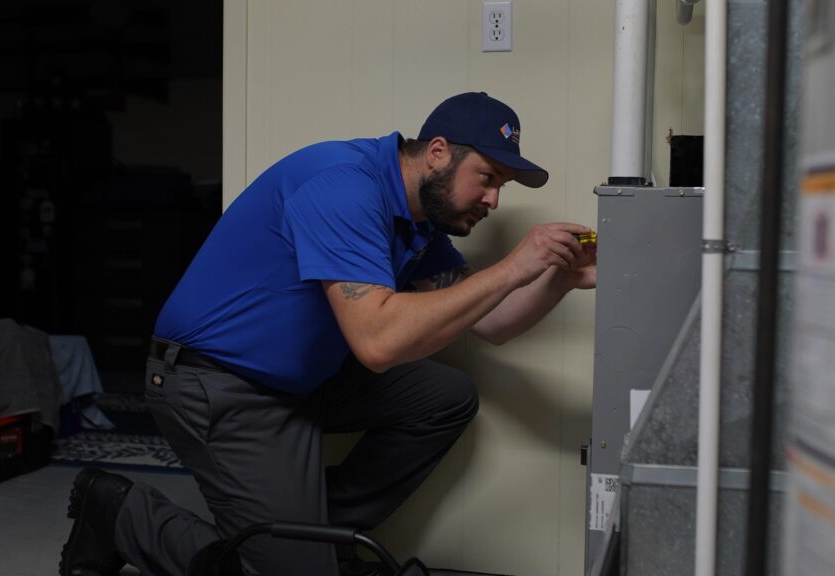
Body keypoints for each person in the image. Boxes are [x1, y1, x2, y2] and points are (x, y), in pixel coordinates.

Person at [59, 92, 597, 576]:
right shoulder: (344, 185)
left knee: (445, 397)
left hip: (302, 380)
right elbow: (379, 344)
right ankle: (117, 512)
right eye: (488, 177)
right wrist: (510, 268)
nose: (494, 200)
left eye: (501, 185)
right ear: (438, 152)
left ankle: (312, 531)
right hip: (212, 382)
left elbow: (493, 324)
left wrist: (561, 280)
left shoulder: (418, 219)